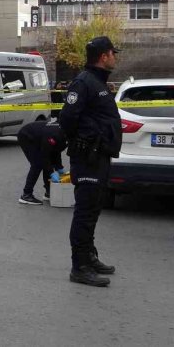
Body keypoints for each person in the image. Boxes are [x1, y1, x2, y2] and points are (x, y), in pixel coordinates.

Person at [59, 36, 122, 288]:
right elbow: (67, 118)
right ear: (104, 56)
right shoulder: (84, 82)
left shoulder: (98, 82)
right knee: (85, 212)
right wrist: (85, 140)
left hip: (100, 156)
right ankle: (80, 266)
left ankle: (90, 256)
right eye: (113, 53)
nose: (115, 57)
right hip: (88, 156)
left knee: (94, 209)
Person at [17, 120, 68, 205]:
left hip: (40, 138)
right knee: (37, 164)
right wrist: (52, 172)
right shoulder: (55, 134)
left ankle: (49, 192)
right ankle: (26, 195)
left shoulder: (65, 135)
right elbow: (45, 155)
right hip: (27, 136)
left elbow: (56, 151)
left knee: (48, 163)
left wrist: (59, 167)